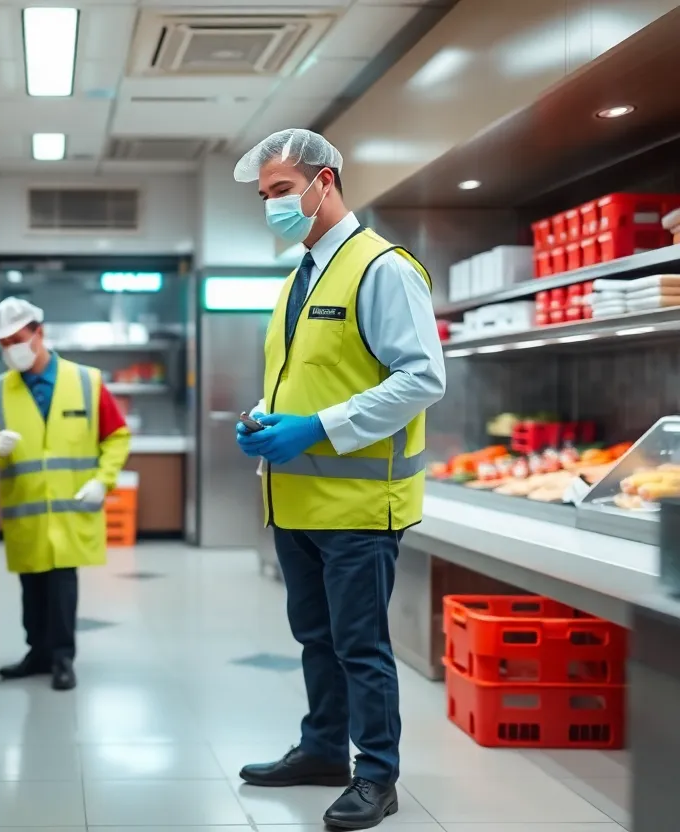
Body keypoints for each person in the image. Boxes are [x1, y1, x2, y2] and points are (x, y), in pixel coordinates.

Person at [232, 129, 445, 830]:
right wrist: (266, 420)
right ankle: (323, 750)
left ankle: (376, 774)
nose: (273, 207)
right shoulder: (300, 276)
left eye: (282, 192)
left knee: (360, 644)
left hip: (358, 502)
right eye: (265, 196)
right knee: (315, 638)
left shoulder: (381, 267)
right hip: (296, 498)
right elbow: (308, 379)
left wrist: (316, 430)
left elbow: (421, 379)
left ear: (325, 182)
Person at [0, 298, 131, 691]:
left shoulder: (86, 381)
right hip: (26, 511)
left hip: (72, 507)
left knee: (61, 587)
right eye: (3, 343)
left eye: (17, 339)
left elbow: (117, 436)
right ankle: (36, 653)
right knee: (32, 588)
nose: (11, 349)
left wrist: (103, 481)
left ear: (38, 334)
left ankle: (61, 658)